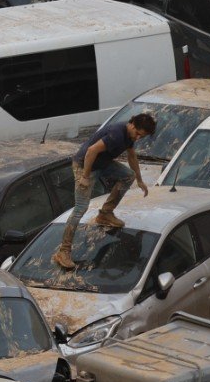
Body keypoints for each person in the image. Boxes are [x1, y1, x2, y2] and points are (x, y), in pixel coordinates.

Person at [53, 113, 156, 270]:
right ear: (133, 125)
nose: (137, 138)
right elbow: (91, 151)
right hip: (85, 165)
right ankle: (63, 251)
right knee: (81, 208)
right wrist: (85, 177)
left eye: (141, 136)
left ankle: (105, 213)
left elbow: (132, 157)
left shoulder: (129, 136)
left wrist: (140, 180)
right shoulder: (116, 134)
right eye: (138, 134)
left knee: (128, 176)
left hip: (102, 164)